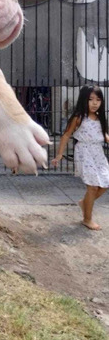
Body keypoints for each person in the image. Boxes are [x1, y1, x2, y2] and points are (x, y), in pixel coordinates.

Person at [51, 85, 109, 231]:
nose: (95, 103)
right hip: (84, 152)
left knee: (104, 185)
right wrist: (59, 155)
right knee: (92, 186)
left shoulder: (100, 117)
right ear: (84, 100)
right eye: (90, 99)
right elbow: (66, 135)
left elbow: (103, 134)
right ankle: (87, 219)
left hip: (98, 153)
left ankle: (85, 203)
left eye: (98, 99)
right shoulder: (79, 117)